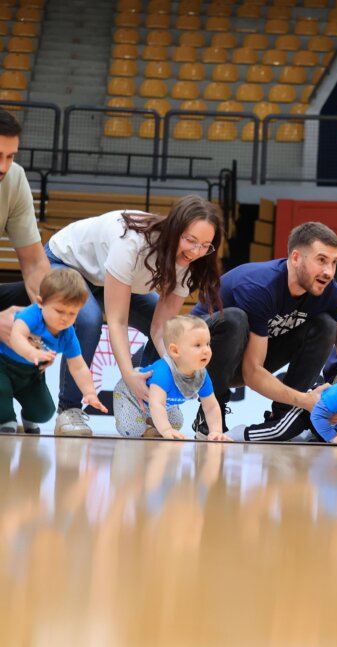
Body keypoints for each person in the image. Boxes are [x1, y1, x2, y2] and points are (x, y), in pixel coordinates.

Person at [45, 195, 222, 436]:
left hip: (106, 278)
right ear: (174, 230)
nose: (196, 251)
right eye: (191, 240)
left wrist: (176, 372)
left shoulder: (191, 261)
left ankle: (148, 403)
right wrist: (128, 374)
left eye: (205, 245)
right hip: (66, 263)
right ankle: (69, 409)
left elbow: (162, 329)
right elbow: (117, 321)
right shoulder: (132, 242)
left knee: (174, 333)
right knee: (89, 320)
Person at [192, 222, 337, 434]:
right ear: (296, 258)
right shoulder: (260, 287)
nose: (329, 272)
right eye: (322, 260)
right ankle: (208, 412)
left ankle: (283, 416)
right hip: (197, 360)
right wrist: (307, 400)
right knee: (235, 319)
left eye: (334, 263)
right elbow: (252, 373)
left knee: (326, 325)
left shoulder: (330, 292)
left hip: (247, 359)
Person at [0, 269, 105, 434]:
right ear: (41, 303)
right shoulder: (32, 314)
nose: (65, 318)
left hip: (31, 373)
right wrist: (31, 353)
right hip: (3, 366)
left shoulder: (68, 333)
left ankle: (28, 419)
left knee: (44, 412)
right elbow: (16, 336)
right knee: (1, 390)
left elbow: (78, 366)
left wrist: (89, 392)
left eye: (72, 313)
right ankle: (6, 420)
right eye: (59, 311)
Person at [113, 315, 227, 441]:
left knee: (176, 423)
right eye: (198, 345)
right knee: (132, 429)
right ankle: (146, 429)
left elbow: (211, 406)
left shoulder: (202, 375)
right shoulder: (164, 371)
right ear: (175, 351)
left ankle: (151, 422)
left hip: (159, 404)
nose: (206, 350)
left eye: (207, 344)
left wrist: (216, 431)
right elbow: (156, 404)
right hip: (131, 395)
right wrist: (165, 430)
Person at [231, 369, 337, 445]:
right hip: (310, 411)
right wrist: (333, 437)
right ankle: (242, 432)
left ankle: (311, 435)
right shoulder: (336, 395)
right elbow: (316, 415)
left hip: (334, 421)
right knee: (280, 431)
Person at [0, 109, 50, 326]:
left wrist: (52, 313)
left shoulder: (14, 177)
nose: (3, 167)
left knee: (64, 306)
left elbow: (34, 263)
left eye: (10, 157)